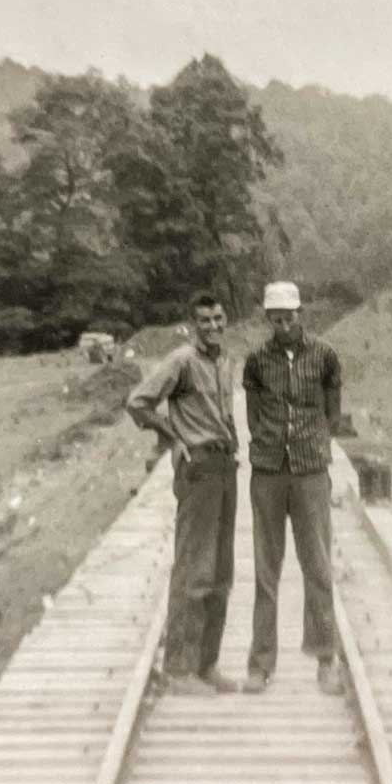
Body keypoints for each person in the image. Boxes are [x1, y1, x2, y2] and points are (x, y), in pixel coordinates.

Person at [124, 293, 240, 695]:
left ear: (226, 321)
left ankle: (206, 664)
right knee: (194, 568)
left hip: (226, 468)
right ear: (193, 326)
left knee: (222, 571)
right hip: (199, 469)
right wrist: (174, 436)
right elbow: (138, 402)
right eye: (204, 320)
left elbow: (222, 415)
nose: (212, 326)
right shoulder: (181, 361)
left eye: (218, 318)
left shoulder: (224, 362)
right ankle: (177, 669)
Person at [239, 280, 345, 696]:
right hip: (267, 472)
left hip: (310, 471)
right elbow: (252, 413)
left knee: (317, 566)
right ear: (268, 319)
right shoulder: (256, 360)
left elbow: (333, 413)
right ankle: (260, 664)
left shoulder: (325, 356)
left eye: (290, 317)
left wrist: (314, 442)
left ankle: (325, 658)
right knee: (266, 570)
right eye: (276, 318)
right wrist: (268, 443)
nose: (283, 325)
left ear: (301, 314)